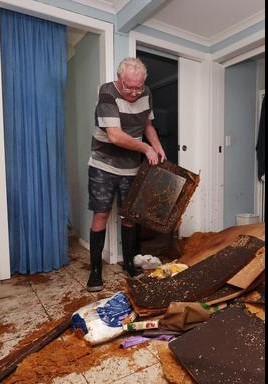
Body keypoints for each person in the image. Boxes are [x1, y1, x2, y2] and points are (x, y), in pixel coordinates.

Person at [86, 57, 166, 292]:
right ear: (119, 79)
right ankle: (95, 271)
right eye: (128, 86)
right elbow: (115, 136)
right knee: (101, 214)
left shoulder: (146, 92)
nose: (134, 92)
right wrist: (146, 148)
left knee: (131, 215)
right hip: (104, 164)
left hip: (131, 167)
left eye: (138, 87)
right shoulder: (107, 92)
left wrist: (157, 146)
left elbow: (147, 125)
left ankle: (131, 265)